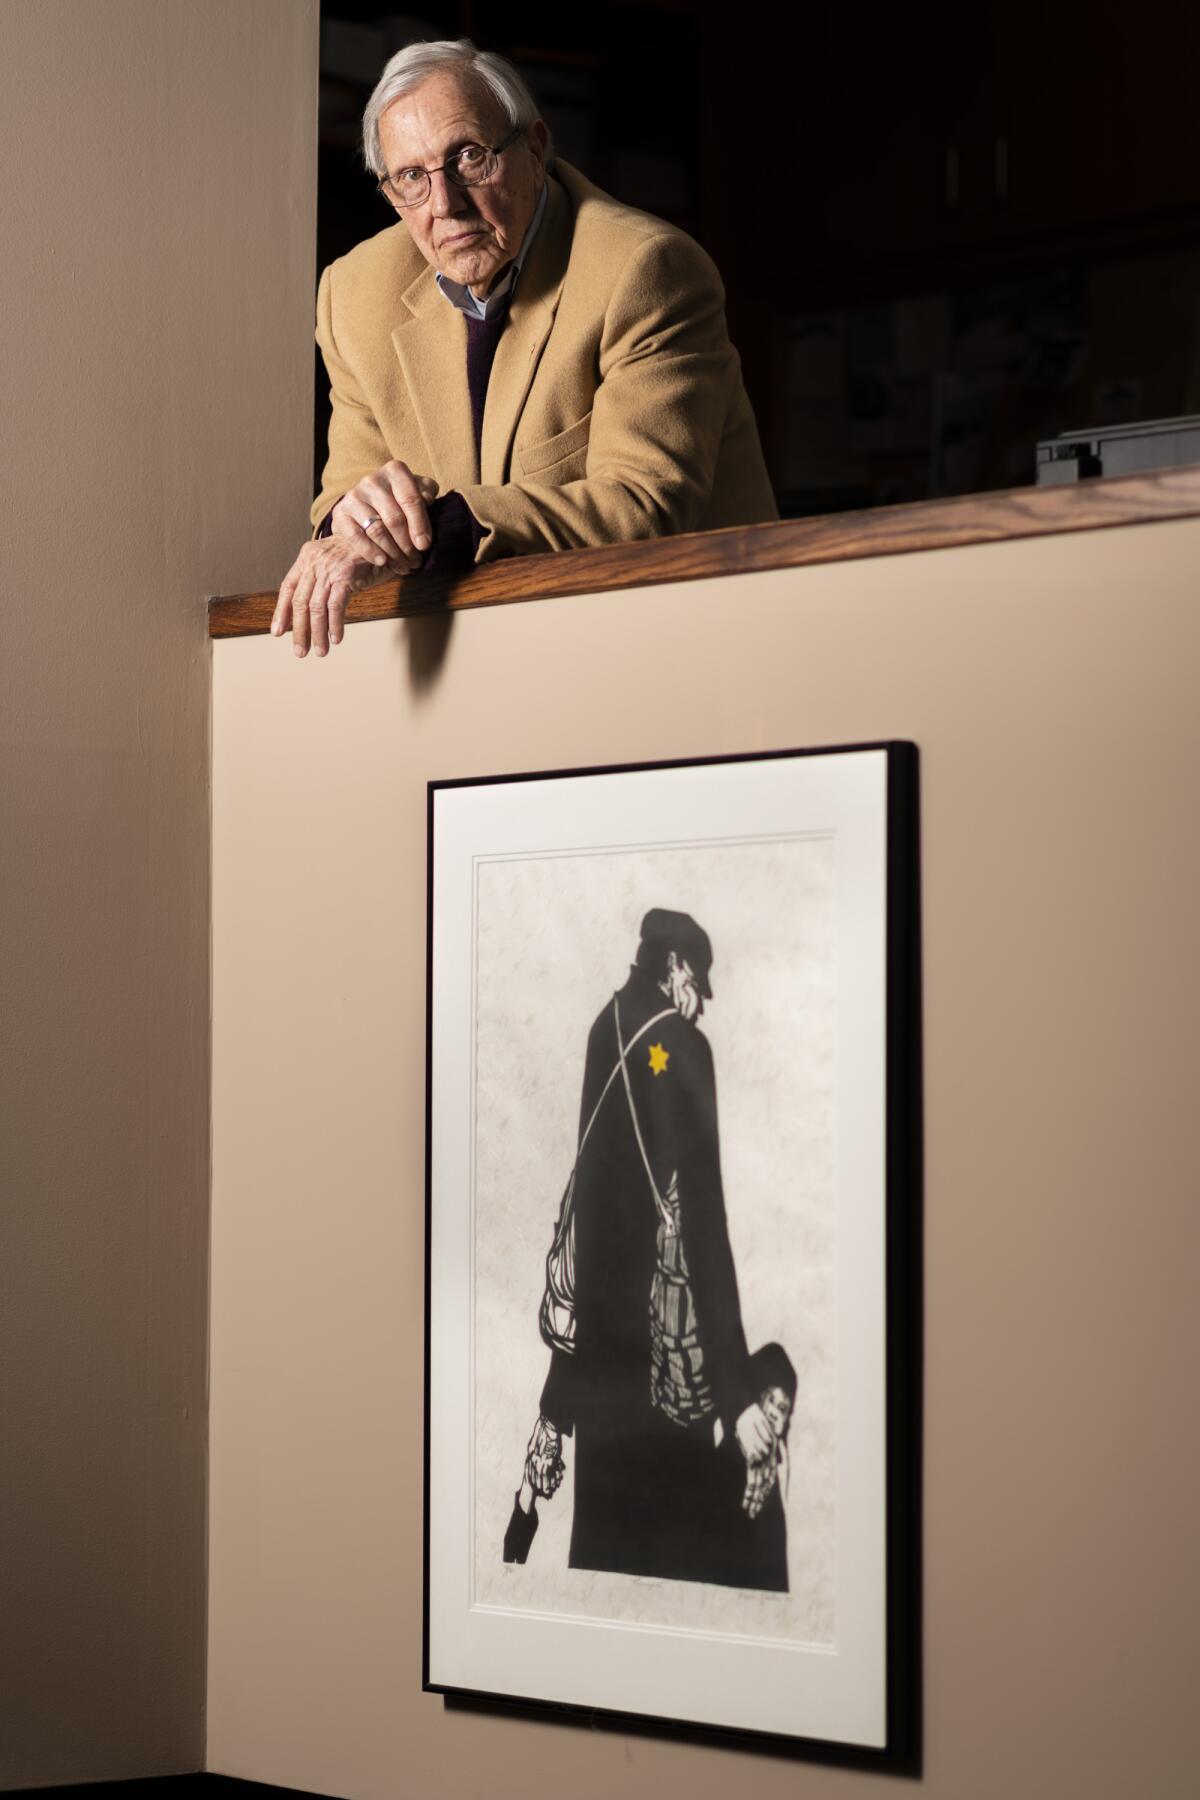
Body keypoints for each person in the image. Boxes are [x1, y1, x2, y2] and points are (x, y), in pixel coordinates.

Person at [272, 39, 778, 657]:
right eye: (410, 177)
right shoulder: (351, 294)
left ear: (534, 148)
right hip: (493, 655)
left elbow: (644, 506)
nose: (445, 204)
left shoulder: (646, 270)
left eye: (469, 157)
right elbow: (348, 490)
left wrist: (430, 525)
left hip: (689, 645)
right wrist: (351, 524)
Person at [501, 909, 791, 1590]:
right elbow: (706, 1230)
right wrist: (736, 1399)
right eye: (700, 982)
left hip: (601, 1371)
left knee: (605, 1569)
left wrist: (557, 1403)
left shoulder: (604, 1028)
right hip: (669, 1367)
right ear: (677, 967)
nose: (700, 1002)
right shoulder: (685, 1050)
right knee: (671, 1572)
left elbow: (590, 1226)